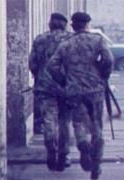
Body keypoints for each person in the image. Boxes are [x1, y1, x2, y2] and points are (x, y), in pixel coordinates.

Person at [47, 12, 114, 179]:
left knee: (78, 123)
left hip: (74, 89)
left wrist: (64, 80)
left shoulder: (66, 44)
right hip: (95, 89)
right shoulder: (98, 40)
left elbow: (52, 66)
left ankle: (83, 143)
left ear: (73, 26)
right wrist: (103, 74)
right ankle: (96, 166)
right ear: (88, 24)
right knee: (96, 124)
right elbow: (109, 60)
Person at [28, 13, 72, 171]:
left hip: (45, 87)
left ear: (50, 25)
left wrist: (38, 77)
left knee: (49, 121)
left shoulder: (40, 39)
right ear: (65, 25)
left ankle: (51, 151)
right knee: (64, 122)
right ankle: (64, 155)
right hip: (67, 88)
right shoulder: (71, 39)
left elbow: (32, 63)